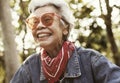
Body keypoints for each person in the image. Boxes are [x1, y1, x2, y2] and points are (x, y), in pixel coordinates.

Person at [10, 0, 120, 83]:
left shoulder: (91, 60)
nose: (39, 26)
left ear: (65, 28)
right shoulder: (30, 67)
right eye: (34, 22)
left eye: (47, 19)